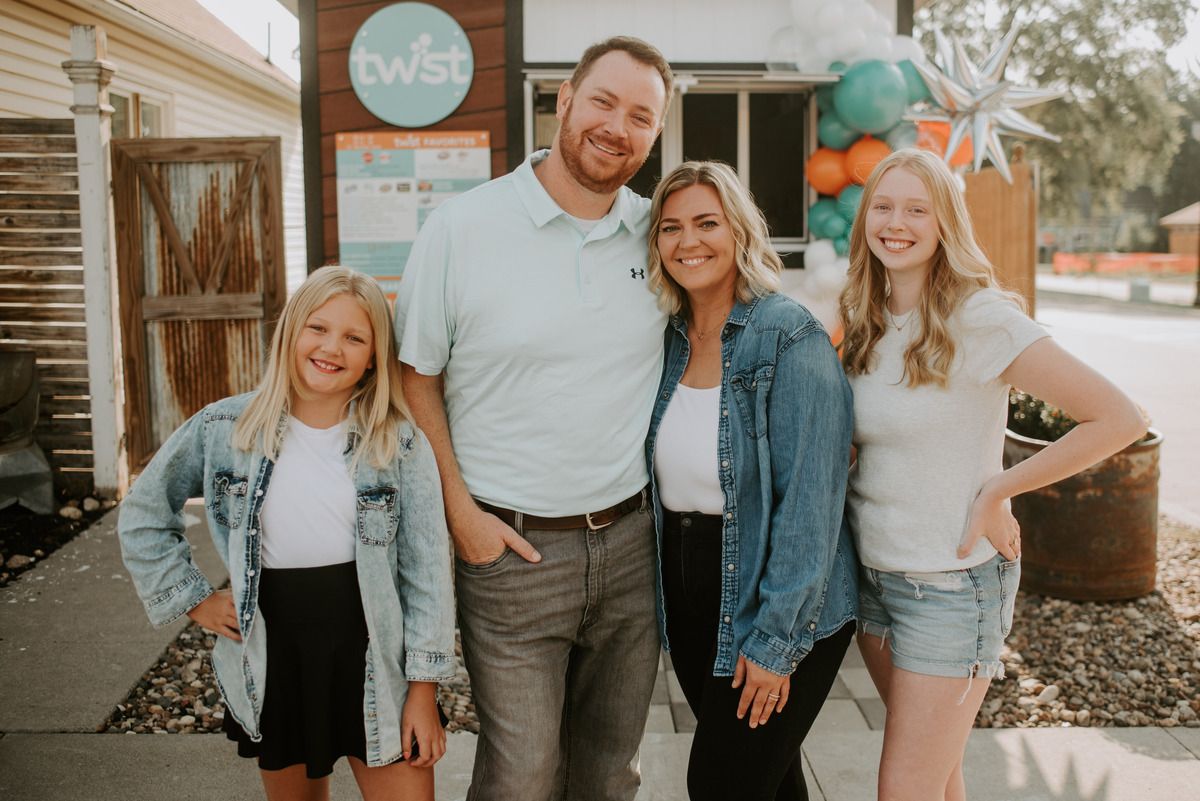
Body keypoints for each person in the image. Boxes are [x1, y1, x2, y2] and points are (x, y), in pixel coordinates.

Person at [393, 36, 672, 801]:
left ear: (654, 136)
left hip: (631, 549)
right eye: (605, 102)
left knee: (609, 774)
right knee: (522, 776)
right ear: (564, 100)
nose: (618, 126)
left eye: (641, 116)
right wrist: (461, 514)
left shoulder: (664, 238)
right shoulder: (463, 227)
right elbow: (414, 376)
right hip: (510, 552)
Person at [839, 149, 1146, 801]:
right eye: (885, 206)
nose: (897, 222)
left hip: (950, 591)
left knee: (904, 788)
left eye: (917, 209)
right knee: (938, 776)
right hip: (876, 581)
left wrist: (1000, 488)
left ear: (945, 221)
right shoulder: (870, 319)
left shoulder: (981, 318)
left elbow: (1118, 417)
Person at [118, 266, 457, 801]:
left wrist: (424, 687)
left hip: (374, 656)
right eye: (318, 328)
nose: (332, 348)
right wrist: (195, 600)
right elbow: (142, 514)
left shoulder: (399, 443)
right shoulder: (225, 428)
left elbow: (428, 572)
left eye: (354, 337)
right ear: (291, 332)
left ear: (373, 357)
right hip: (276, 656)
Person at [644, 161, 858, 801]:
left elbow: (812, 507)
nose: (689, 242)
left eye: (707, 223)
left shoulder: (788, 336)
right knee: (766, 780)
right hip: (689, 591)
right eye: (671, 227)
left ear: (740, 230)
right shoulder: (669, 339)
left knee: (719, 784)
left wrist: (773, 644)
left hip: (777, 596)